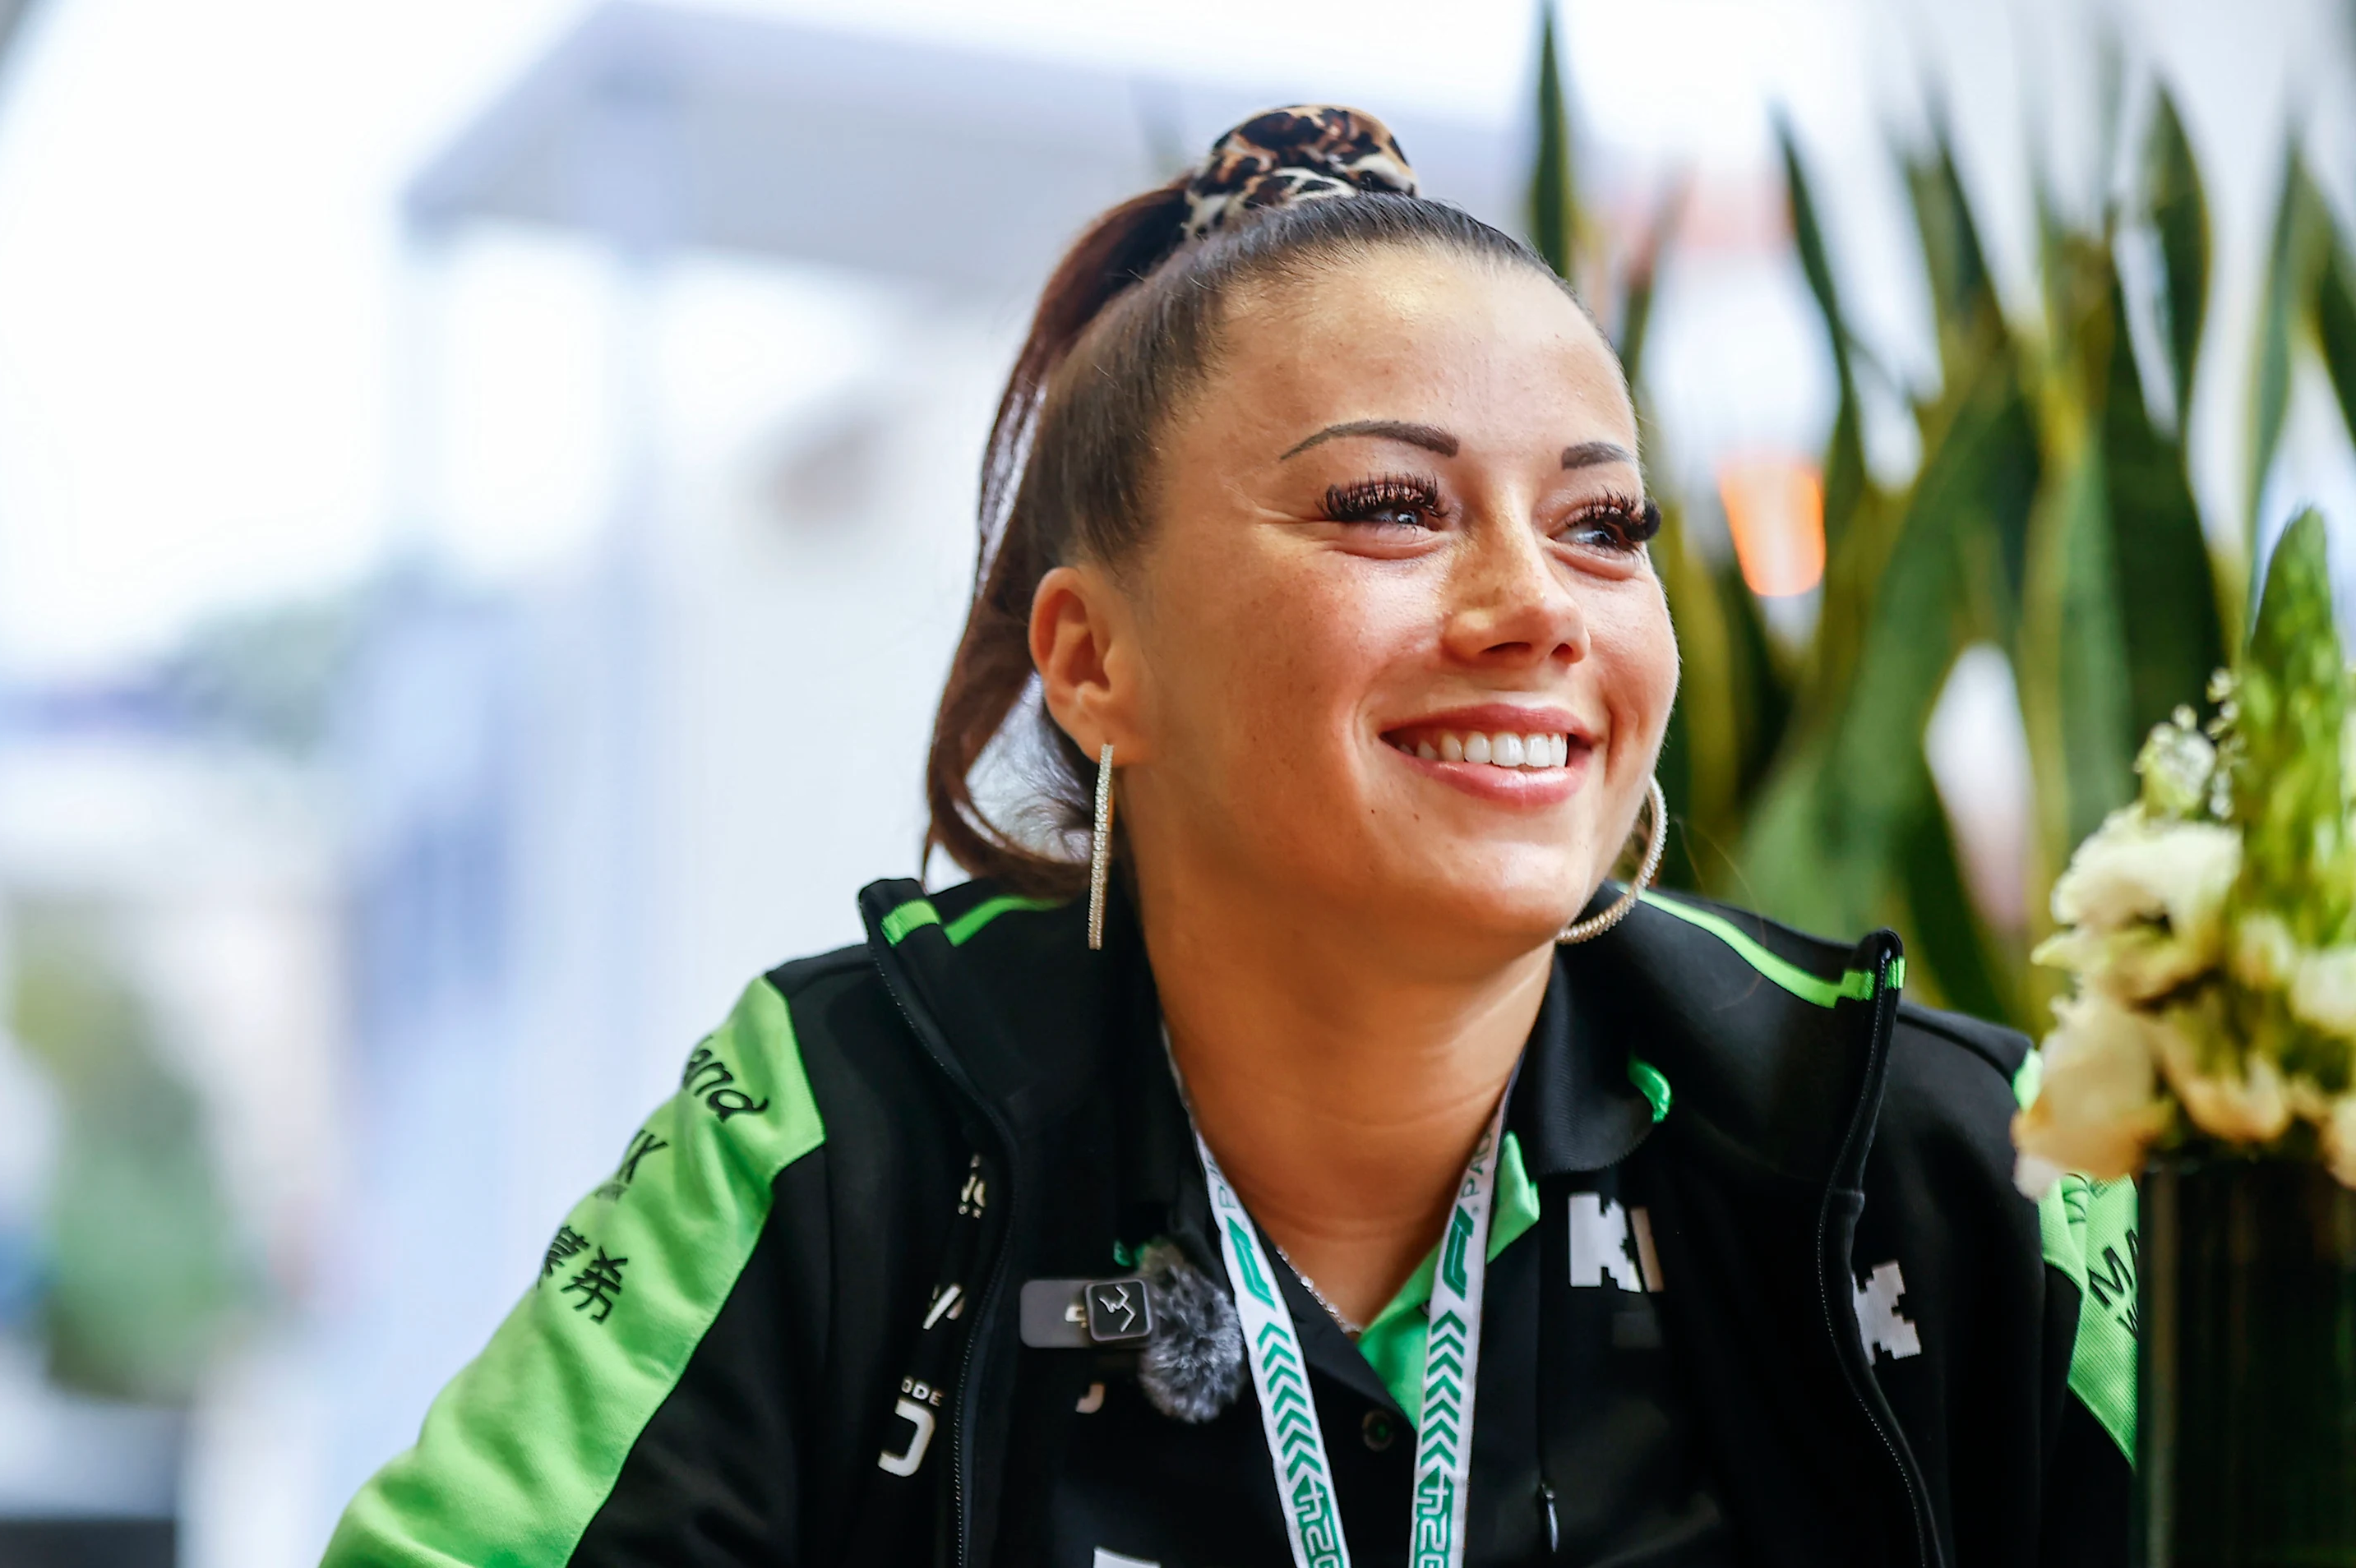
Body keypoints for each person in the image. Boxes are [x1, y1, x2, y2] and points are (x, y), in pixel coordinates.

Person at [321, 106, 2130, 1568]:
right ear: (1096, 663)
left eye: (1602, 525)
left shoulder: (1931, 1154)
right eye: (1388, 506)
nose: (1537, 608)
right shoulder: (840, 1123)